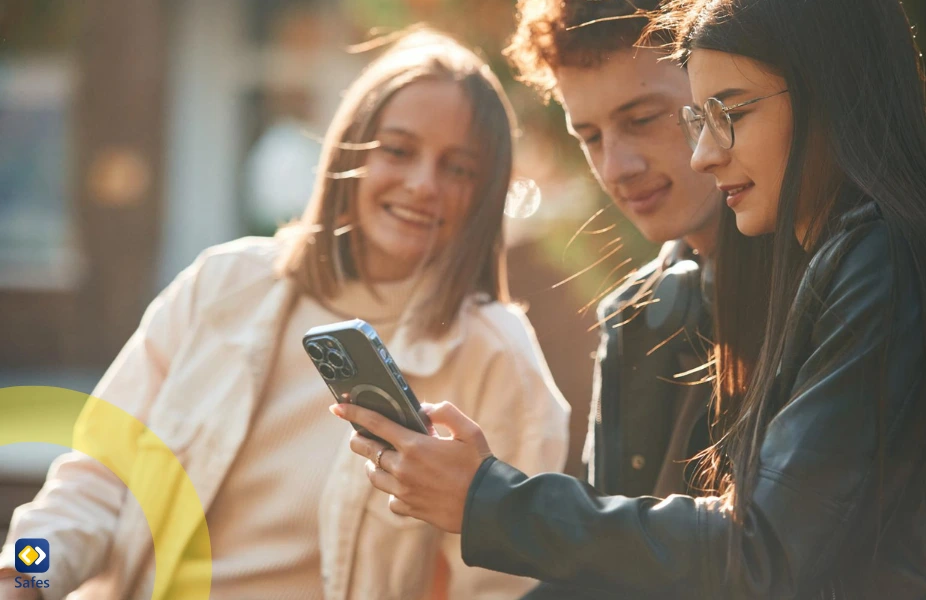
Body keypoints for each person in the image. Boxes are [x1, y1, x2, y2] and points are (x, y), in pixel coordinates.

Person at [333, 1, 926, 598]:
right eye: (589, 135)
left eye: (717, 113)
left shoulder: (885, 260)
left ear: (825, 93)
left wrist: (490, 501)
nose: (694, 152)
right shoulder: (652, 308)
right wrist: (484, 497)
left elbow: (765, 552)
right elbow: (622, 579)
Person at [0, 27, 569, 600]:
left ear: (486, 192)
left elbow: (504, 587)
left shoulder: (498, 355)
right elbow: (92, 479)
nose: (423, 184)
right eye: (397, 150)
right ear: (349, 152)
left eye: (458, 168)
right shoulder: (223, 282)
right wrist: (25, 579)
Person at [505, 0, 729, 510]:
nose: (615, 167)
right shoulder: (632, 316)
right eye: (590, 137)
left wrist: (496, 505)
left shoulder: (842, 285)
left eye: (643, 119)